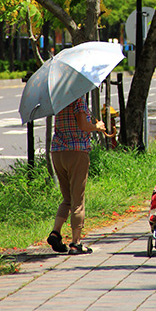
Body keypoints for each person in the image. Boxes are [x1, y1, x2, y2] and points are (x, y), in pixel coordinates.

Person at [47, 95, 106, 255]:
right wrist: (97, 127)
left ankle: (55, 233)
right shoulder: (78, 99)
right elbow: (83, 125)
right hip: (77, 151)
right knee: (78, 200)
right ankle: (76, 243)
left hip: (58, 152)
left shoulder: (58, 99)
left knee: (67, 198)